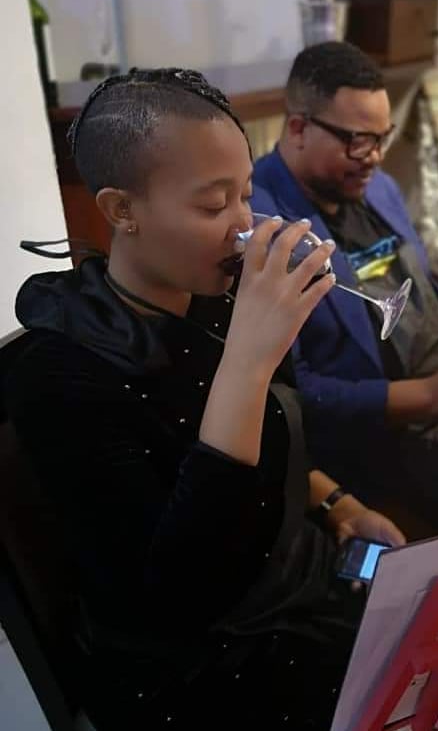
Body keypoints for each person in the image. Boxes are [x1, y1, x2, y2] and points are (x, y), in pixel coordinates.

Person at [2, 68, 404, 731]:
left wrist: (339, 503)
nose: (244, 225)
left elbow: (276, 440)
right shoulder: (58, 373)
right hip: (202, 655)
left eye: (246, 196)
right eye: (215, 206)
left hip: (293, 576)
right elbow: (183, 590)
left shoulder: (216, 296)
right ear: (122, 210)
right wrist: (248, 361)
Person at [251, 42, 438, 536]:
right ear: (298, 128)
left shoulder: (376, 185)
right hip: (390, 419)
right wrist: (430, 394)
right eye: (358, 141)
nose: (375, 158)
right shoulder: (265, 229)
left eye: (382, 138)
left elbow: (420, 288)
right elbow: (292, 396)